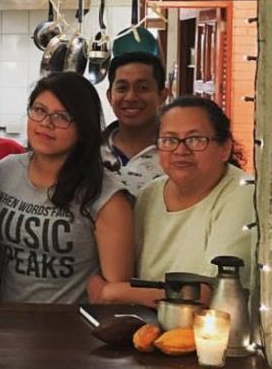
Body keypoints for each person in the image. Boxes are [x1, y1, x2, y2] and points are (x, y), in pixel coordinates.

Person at [88, 96, 256, 306]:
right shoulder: (151, 193)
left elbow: (212, 293)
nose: (180, 150)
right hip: (148, 328)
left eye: (195, 139)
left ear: (225, 148)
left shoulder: (245, 192)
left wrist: (112, 292)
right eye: (169, 140)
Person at [0, 72, 134, 304]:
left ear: (83, 127)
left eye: (62, 116)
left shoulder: (106, 196)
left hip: (71, 329)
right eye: (39, 110)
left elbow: (115, 291)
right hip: (9, 324)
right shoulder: (3, 172)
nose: (46, 123)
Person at [102, 52, 169, 196]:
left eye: (143, 88)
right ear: (109, 96)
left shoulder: (177, 152)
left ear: (162, 95)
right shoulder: (89, 152)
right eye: (122, 88)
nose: (131, 97)